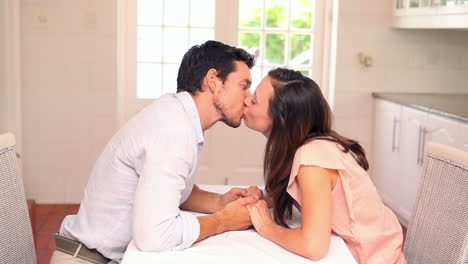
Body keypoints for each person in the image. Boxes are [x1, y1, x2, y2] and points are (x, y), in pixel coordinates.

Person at [50, 40, 262, 264]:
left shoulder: (176, 116)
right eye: (244, 85)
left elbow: (174, 190)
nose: (249, 97)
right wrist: (223, 221)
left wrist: (221, 202)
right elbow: (155, 236)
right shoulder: (174, 130)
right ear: (213, 81)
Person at [243, 68, 406, 263]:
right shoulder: (308, 147)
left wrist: (267, 227)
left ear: (282, 118)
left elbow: (313, 246)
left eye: (254, 100)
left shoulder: (313, 159)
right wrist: (265, 199)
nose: (246, 100)